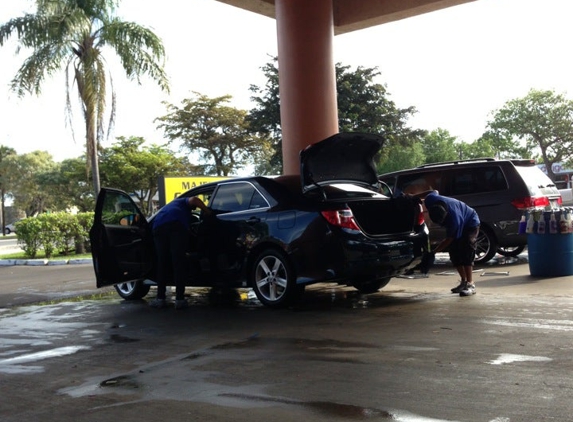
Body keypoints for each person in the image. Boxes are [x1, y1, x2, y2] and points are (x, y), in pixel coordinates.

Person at [150, 196, 211, 309]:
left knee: (162, 263)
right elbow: (194, 200)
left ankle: (160, 299)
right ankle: (179, 300)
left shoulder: (171, 206)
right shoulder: (183, 202)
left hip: (158, 227)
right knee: (178, 262)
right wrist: (208, 212)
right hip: (176, 226)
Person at [419, 190, 481, 297]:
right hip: (458, 219)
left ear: (446, 215)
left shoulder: (454, 220)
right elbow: (434, 191)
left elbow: (449, 239)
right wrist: (415, 196)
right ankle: (463, 282)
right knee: (454, 253)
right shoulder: (430, 200)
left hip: (470, 222)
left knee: (466, 251)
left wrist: (433, 252)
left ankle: (470, 284)